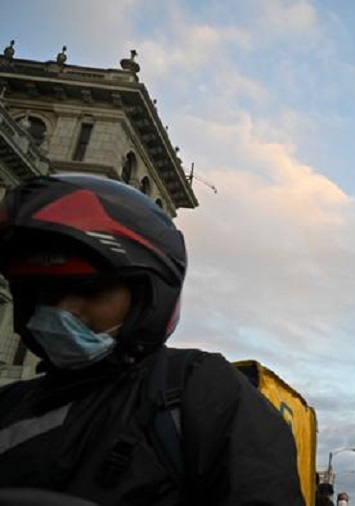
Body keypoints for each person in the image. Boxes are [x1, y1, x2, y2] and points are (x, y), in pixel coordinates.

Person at [0, 175, 302, 505]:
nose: (61, 310)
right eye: (43, 293)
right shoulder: (9, 405)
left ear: (149, 299)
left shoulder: (200, 391)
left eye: (88, 290)